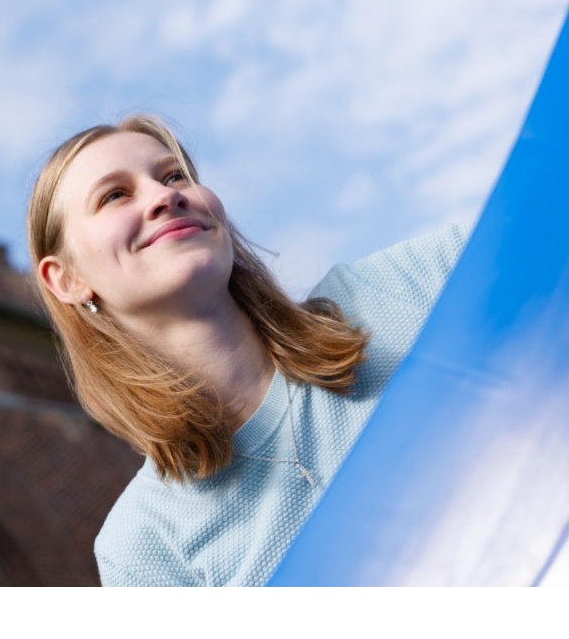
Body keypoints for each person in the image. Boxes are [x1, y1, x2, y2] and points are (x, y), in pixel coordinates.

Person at [26, 113, 468, 586]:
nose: (163, 196)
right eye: (115, 195)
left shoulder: (398, 289)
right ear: (68, 280)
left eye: (174, 175)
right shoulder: (142, 549)